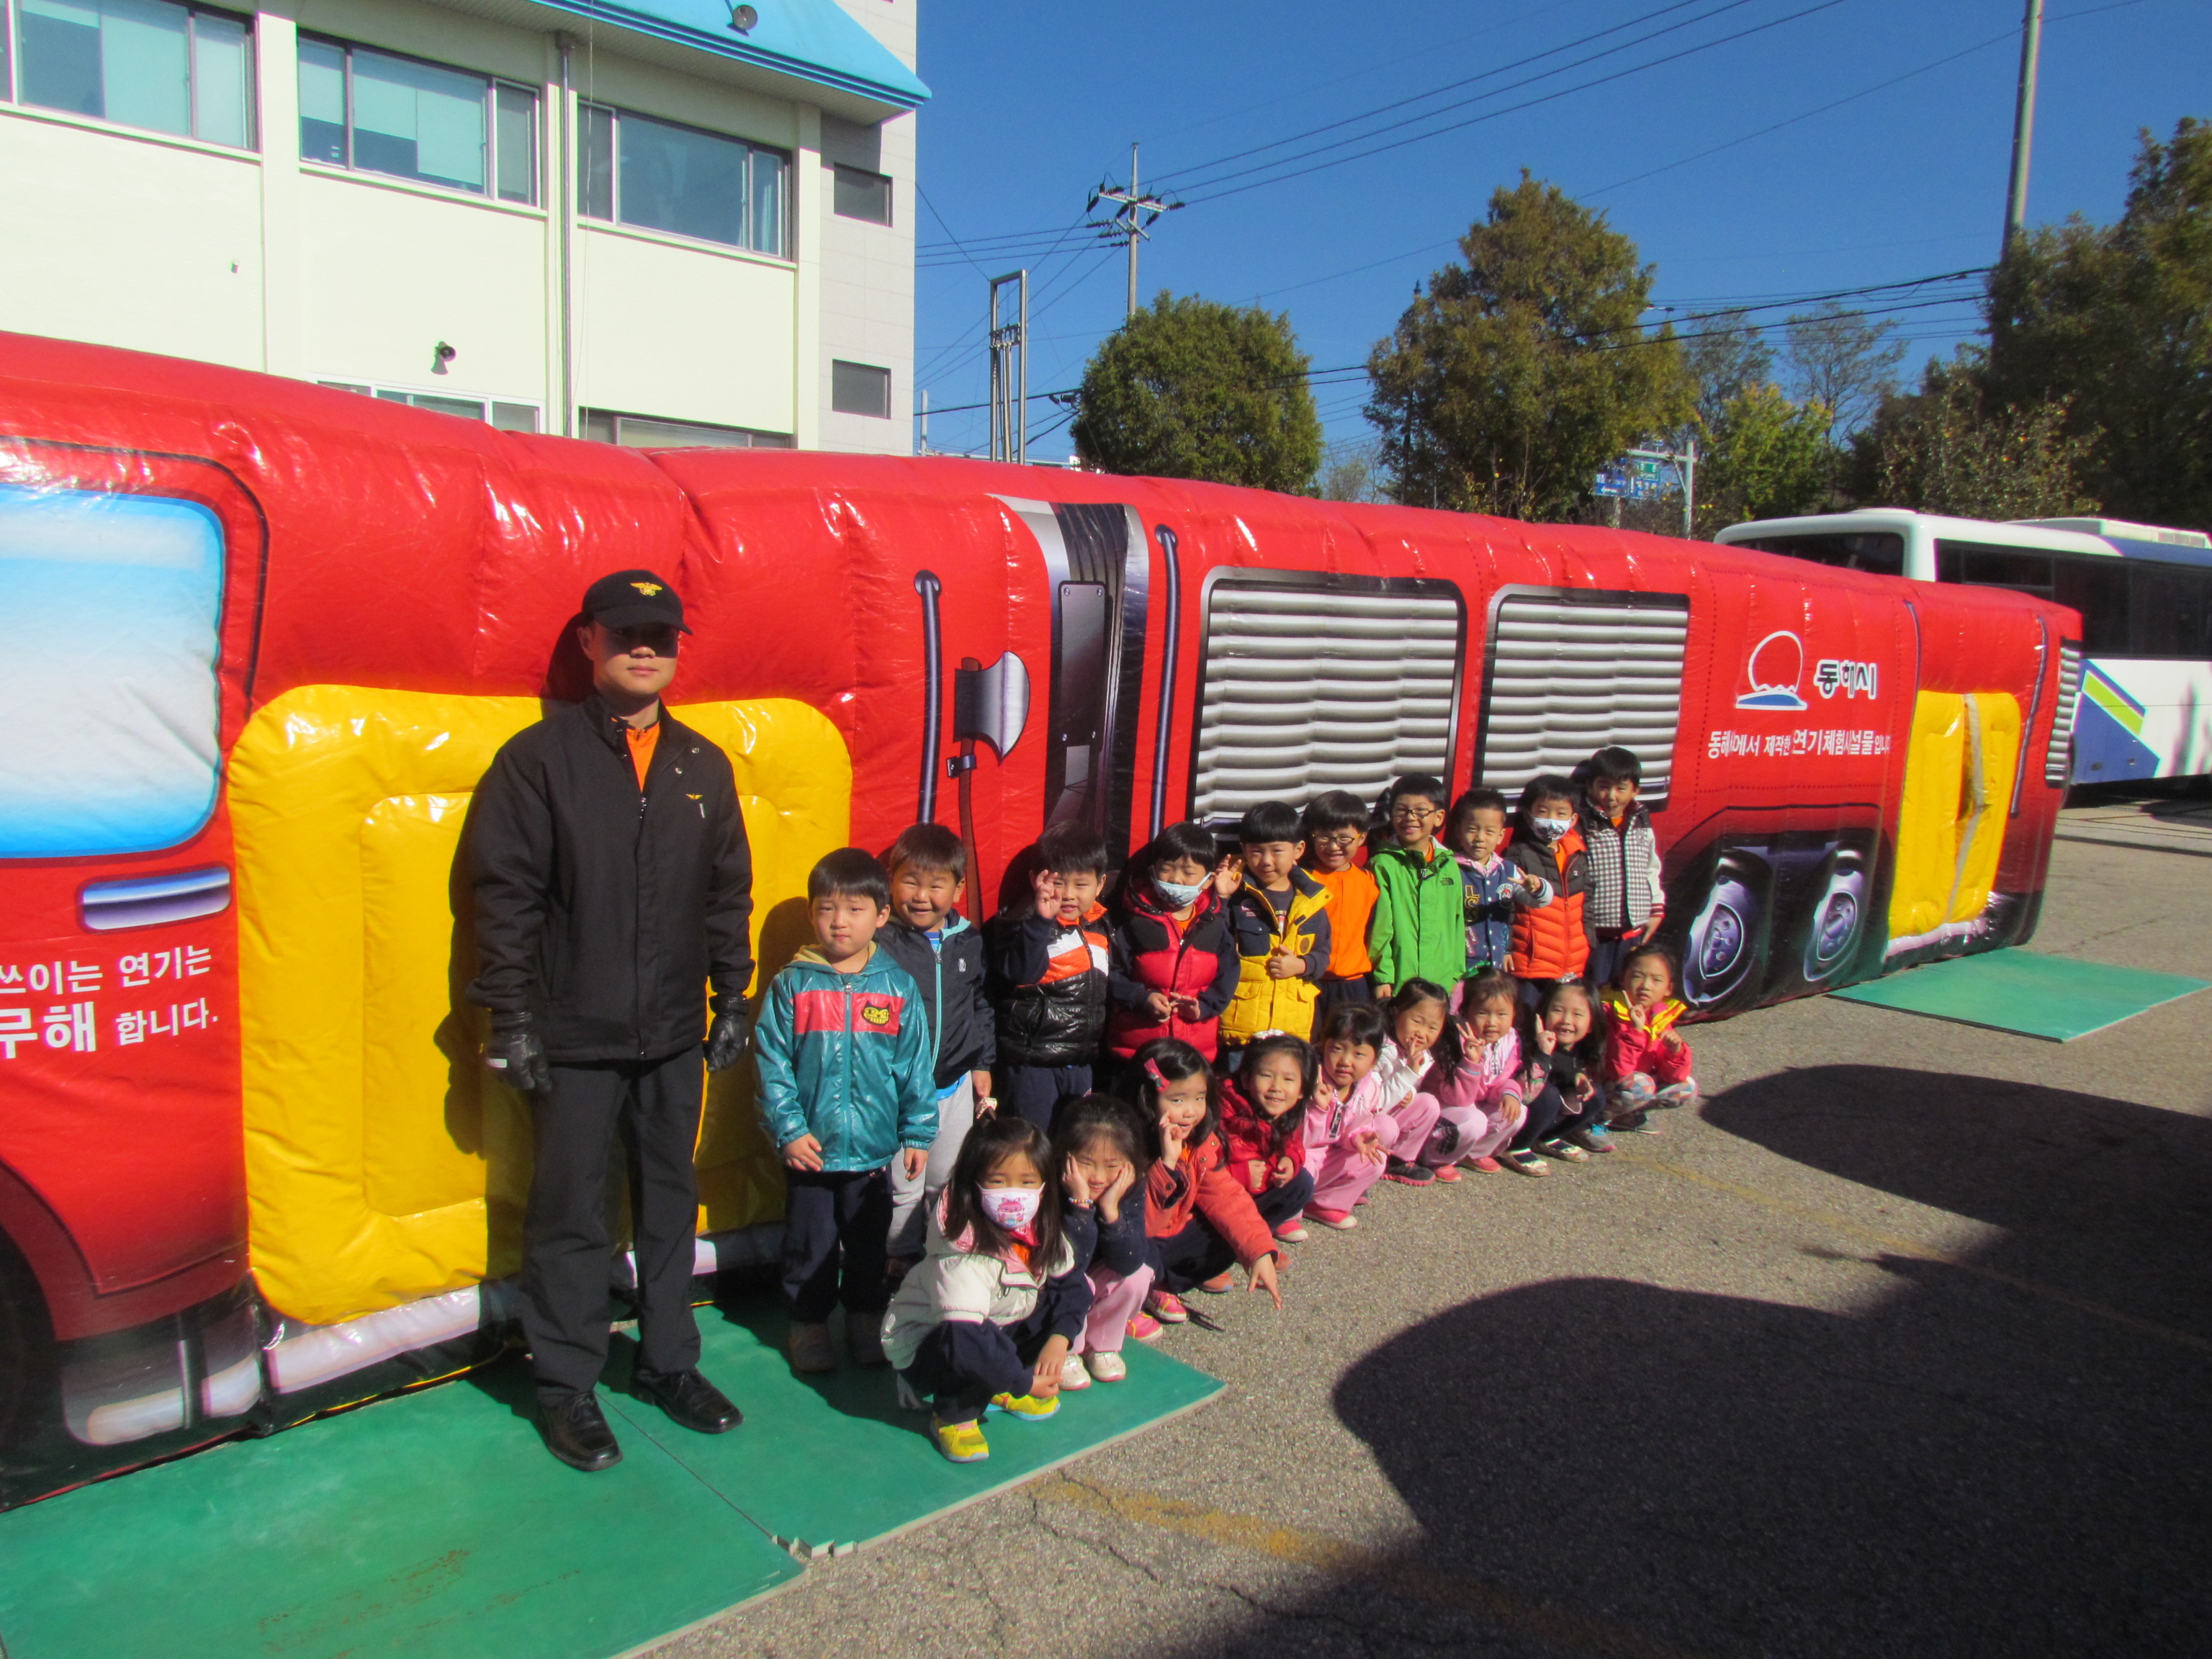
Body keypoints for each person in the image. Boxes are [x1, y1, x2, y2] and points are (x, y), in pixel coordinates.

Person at [471, 567, 754, 1473]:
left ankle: (669, 1364)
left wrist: (733, 996)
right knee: (569, 1213)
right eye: (627, 633)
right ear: (588, 640)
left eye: (660, 637)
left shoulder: (703, 765)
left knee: (670, 1200)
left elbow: (727, 895)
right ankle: (566, 1385)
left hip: (671, 1035)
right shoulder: (538, 759)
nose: (644, 649)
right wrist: (511, 1016)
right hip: (575, 1034)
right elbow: (503, 898)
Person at [754, 848, 938, 1375]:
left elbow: (914, 1066)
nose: (840, 921)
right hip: (810, 1152)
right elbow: (771, 1064)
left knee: (867, 1243)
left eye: (855, 910)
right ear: (812, 914)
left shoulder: (896, 987)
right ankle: (808, 1323)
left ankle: (864, 1315)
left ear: (881, 915)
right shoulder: (793, 984)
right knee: (808, 1244)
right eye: (827, 909)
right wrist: (789, 1130)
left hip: (873, 1152)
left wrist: (918, 1134)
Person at [881, 1115, 1092, 1465]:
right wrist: (1024, 1383)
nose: (1014, 1193)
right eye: (998, 1181)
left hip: (990, 1323)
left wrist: (1060, 1338)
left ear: (1044, 1184)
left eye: (1027, 1181)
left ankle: (994, 1387)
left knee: (1049, 1303)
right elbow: (966, 1339)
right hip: (927, 1344)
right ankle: (954, 1415)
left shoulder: (1038, 1227)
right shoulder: (961, 1251)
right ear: (973, 1181)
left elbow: (1073, 1285)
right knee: (971, 1339)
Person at [876, 824, 997, 1267]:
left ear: (958, 888)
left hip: (954, 1086)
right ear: (891, 880)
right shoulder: (881, 941)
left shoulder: (968, 939)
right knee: (904, 1183)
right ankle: (899, 1260)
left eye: (936, 885)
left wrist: (982, 1061)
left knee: (946, 1178)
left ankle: (941, 1257)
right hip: (899, 1091)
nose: (922, 897)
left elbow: (980, 1002)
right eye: (910, 882)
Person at [1133, 1039, 1283, 1323]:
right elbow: (1145, 1225)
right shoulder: (1129, 1145)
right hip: (1137, 1242)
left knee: (1231, 1234)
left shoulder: (1198, 1143)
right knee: (1136, 1257)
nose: (1191, 1111)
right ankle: (1124, 1303)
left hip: (1170, 1235)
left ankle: (1161, 1286)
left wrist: (1260, 1251)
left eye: (1199, 1098)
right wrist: (1166, 1165)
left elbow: (1227, 1197)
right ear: (1148, 1099)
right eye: (1178, 1100)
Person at [986, 823, 1113, 1133]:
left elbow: (1112, 981)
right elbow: (1023, 972)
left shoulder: (1101, 926)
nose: (1068, 895)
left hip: (1080, 1063)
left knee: (1073, 1143)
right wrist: (1040, 921)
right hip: (1032, 1065)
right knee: (1033, 1143)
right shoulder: (1020, 923)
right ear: (1035, 879)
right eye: (1057, 883)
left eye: (1081, 884)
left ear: (1100, 884)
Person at [1105, 821, 1241, 1070]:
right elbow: (1114, 972)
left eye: (1188, 873)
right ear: (1152, 871)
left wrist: (1204, 1007)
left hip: (1194, 1052)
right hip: (1137, 1051)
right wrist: (1143, 999)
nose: (1176, 879)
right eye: (1167, 869)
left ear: (1208, 880)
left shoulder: (1214, 923)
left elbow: (1229, 972)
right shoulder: (1133, 920)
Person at [1053, 1094, 1153, 1385]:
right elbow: (1068, 1264)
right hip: (1054, 1287)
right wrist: (1080, 1206)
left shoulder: (1129, 1187)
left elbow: (1129, 1260)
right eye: (1086, 1163)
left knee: (1139, 1275)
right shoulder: (1052, 1184)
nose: (1098, 1177)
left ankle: (1102, 1344)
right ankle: (1066, 1347)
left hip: (1092, 1281)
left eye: (1112, 1166)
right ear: (1065, 1156)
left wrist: (1111, 1212)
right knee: (1077, 1280)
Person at [1218, 801, 1331, 1055]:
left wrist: (1302, 965)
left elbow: (1324, 954)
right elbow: (1214, 942)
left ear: (1298, 850)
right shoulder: (1236, 894)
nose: (1267, 861)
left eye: (1277, 851)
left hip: (1292, 1029)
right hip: (1242, 1030)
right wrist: (1222, 899)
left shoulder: (1312, 900)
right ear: (1244, 850)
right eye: (1257, 851)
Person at [1416, 970, 1527, 1177]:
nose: (1492, 1022)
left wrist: (1509, 1093)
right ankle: (1435, 1157)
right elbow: (1458, 1099)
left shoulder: (1509, 1041)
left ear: (1514, 1013)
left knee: (1517, 1111)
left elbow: (1499, 1082)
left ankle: (1473, 1153)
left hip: (1472, 1107)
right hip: (1444, 1109)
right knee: (1474, 1120)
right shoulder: (1453, 1039)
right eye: (1483, 1013)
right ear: (1466, 1011)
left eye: (1502, 1014)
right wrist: (1471, 1062)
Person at [1301, 1002, 1399, 1229]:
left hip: (1327, 1158)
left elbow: (1349, 1131)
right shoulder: (1310, 1077)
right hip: (1302, 1155)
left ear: (1374, 1060)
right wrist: (1317, 1108)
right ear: (1323, 1045)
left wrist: (1357, 1138)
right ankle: (1286, 1214)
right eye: (1337, 1049)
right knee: (1303, 1163)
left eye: (1359, 1054)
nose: (1346, 1061)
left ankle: (1323, 1203)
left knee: (1375, 1159)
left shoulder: (1369, 1087)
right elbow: (1300, 1140)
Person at [1368, 773, 1466, 997]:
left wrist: (1456, 974)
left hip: (1442, 980)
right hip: (1401, 983)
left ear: (1439, 817)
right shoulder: (1384, 864)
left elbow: (1457, 922)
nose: (1410, 818)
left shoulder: (1448, 864)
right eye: (1401, 810)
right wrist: (1383, 977)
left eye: (1421, 811)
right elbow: (1380, 928)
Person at [1215, 1033, 1319, 1243]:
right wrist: (1238, 1174)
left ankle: (1254, 1239)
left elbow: (1293, 1142)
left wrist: (1290, 1158)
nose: (1276, 1087)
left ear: (1302, 1090)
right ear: (1246, 1079)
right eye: (1266, 1075)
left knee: (1302, 1183)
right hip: (1216, 1200)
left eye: (1288, 1079)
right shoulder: (1221, 1109)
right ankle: (1229, 1248)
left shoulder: (1286, 1114)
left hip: (1253, 1195)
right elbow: (1200, 1165)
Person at [1580, 747, 1667, 989]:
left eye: (1621, 788)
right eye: (1604, 786)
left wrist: (1656, 909)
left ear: (1635, 790)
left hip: (1634, 932)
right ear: (1590, 786)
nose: (1611, 796)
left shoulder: (1641, 820)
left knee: (1627, 990)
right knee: (1595, 992)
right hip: (1596, 933)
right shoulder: (1583, 823)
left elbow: (1651, 868)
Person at [1446, 787, 1552, 980]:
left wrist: (1537, 888)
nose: (1480, 838)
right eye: (1472, 829)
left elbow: (1540, 902)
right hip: (1460, 966)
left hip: (1496, 964)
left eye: (1489, 831)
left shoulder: (1507, 870)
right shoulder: (1450, 869)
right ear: (1459, 831)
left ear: (1500, 836)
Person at [1502, 980, 1605, 1175]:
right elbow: (1528, 1089)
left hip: (1549, 1117)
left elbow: (1572, 1066)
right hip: (1518, 1111)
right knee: (1548, 1094)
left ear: (1591, 1024)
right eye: (1558, 1010)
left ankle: (1548, 1138)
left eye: (1577, 1014)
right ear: (1544, 1013)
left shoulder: (1582, 1048)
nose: (1566, 1020)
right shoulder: (1531, 1042)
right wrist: (1545, 1056)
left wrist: (1581, 1077)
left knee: (1596, 1095)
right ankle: (1518, 1146)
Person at [1506, 775, 1591, 1006]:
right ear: (1528, 815)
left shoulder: (1577, 854)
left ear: (1573, 819)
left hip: (1571, 964)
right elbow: (1508, 906)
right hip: (1531, 963)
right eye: (1543, 812)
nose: (1552, 821)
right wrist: (1507, 950)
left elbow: (1587, 903)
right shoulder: (1519, 854)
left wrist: (1588, 941)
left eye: (1561, 813)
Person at [1600, 942, 1699, 1134]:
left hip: (1635, 1084)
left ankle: (1624, 1116)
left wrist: (1675, 1053)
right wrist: (1635, 1032)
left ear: (1668, 989)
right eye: (1637, 976)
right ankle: (1592, 1120)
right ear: (1623, 979)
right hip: (1604, 1084)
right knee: (1641, 1085)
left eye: (1657, 980)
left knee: (1687, 1088)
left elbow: (1674, 1077)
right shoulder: (1609, 1011)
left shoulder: (1659, 1015)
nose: (1646, 986)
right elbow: (1619, 1072)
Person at [1300, 791, 1380, 1022]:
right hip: (1309, 978)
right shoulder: (1303, 878)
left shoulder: (1368, 881)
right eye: (1324, 837)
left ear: (1362, 838)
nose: (1334, 846)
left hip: (1353, 983)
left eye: (1344, 838)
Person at [1370, 981, 1449, 1188]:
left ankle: (1399, 1160)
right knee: (1386, 1126)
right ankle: (1362, 1168)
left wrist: (1412, 1093)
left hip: (1391, 1114)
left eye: (1433, 1027)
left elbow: (1411, 1087)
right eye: (1417, 1021)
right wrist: (1409, 1074)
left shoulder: (1422, 1055)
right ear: (1396, 1013)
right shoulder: (1381, 1049)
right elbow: (1374, 1105)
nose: (1422, 1033)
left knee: (1429, 1103)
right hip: (1367, 1122)